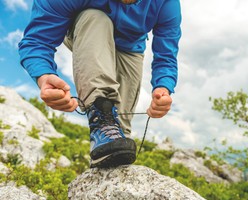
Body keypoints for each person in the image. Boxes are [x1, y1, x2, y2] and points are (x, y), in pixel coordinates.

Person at [19, 0, 181, 168]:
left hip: (130, 48)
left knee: (118, 137)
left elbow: (167, 54)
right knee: (95, 17)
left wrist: (163, 87)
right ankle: (100, 111)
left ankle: (107, 168)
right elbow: (37, 40)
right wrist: (44, 76)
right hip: (87, 28)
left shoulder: (167, 3)